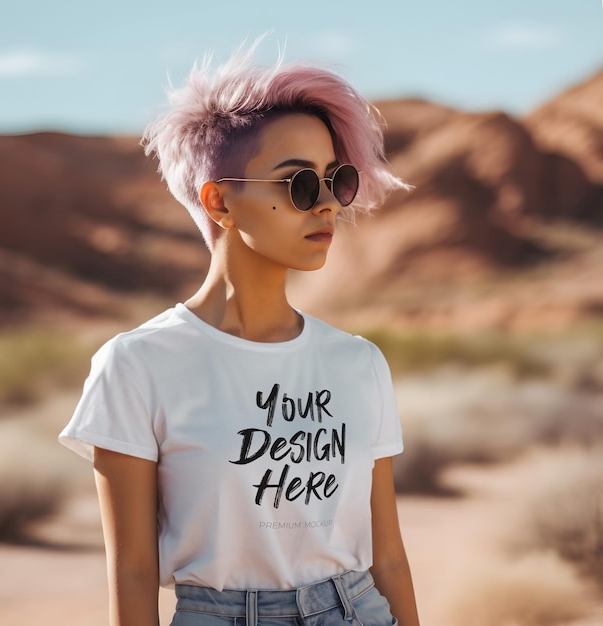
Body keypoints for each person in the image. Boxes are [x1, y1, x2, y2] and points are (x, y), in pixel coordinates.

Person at [59, 41, 420, 626]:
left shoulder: (358, 362)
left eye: (337, 180)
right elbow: (129, 574)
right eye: (299, 183)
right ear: (220, 200)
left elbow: (390, 557)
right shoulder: (138, 364)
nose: (326, 205)